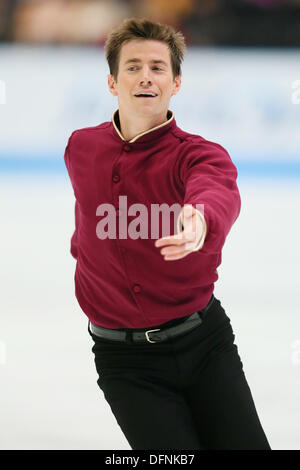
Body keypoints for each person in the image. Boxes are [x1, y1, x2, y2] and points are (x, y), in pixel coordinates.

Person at [63, 17, 271, 450]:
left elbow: (215, 190)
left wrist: (200, 219)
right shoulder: (81, 148)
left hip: (204, 344)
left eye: (158, 67)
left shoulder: (198, 155)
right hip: (124, 362)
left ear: (176, 83)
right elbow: (87, 221)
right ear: (111, 81)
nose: (145, 76)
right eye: (133, 66)